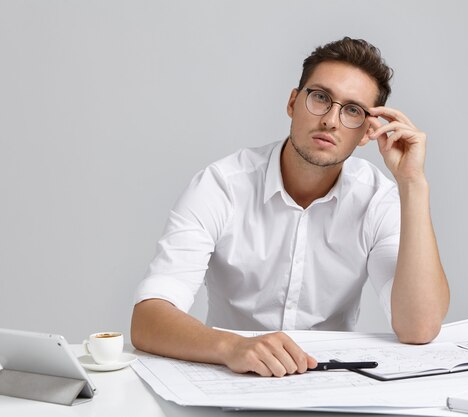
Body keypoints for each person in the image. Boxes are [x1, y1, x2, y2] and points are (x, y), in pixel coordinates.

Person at [131, 37, 449, 378]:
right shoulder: (222, 185)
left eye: (353, 110)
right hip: (230, 378)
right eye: (320, 98)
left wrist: (412, 184)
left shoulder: (377, 199)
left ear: (366, 134)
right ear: (293, 102)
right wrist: (231, 347)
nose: (330, 120)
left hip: (331, 385)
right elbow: (149, 319)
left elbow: (419, 327)